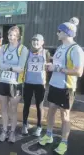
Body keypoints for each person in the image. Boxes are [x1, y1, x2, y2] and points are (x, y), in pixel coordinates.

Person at [39, 17, 84, 155]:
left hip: (66, 87)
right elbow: (58, 64)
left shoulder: (76, 50)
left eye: (59, 31)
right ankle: (49, 134)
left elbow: (79, 71)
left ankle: (64, 142)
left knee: (65, 116)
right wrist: (50, 66)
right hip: (54, 85)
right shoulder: (60, 47)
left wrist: (57, 69)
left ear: (66, 33)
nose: (57, 33)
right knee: (51, 111)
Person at [0, 26, 28, 143]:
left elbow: (20, 68)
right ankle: (4, 130)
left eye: (14, 35)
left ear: (18, 36)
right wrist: (11, 68)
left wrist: (8, 67)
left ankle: (12, 132)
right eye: (10, 35)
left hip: (15, 83)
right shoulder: (3, 48)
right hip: (3, 82)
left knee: (13, 109)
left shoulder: (23, 49)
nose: (11, 37)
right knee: (3, 109)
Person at [22, 34, 51, 136]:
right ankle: (24, 124)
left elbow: (49, 68)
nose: (35, 43)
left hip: (40, 84)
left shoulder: (46, 53)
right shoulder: (27, 53)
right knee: (26, 104)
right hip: (28, 83)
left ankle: (39, 126)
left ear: (42, 42)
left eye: (38, 41)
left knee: (39, 106)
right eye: (34, 41)